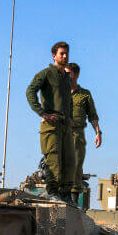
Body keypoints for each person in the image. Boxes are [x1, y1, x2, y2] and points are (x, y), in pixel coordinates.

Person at [27, 42, 75, 202]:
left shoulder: (66, 78)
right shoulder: (46, 73)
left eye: (67, 53)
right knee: (53, 160)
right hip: (51, 125)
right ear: (54, 56)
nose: (65, 56)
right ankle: (52, 191)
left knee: (69, 161)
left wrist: (70, 118)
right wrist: (42, 112)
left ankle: (66, 193)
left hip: (65, 125)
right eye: (62, 53)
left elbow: (68, 101)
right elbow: (30, 91)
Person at [66, 62, 101, 199]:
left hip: (76, 134)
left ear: (76, 75)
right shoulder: (59, 93)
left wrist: (98, 132)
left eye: (69, 73)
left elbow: (92, 115)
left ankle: (73, 201)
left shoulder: (84, 95)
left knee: (76, 166)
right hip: (60, 133)